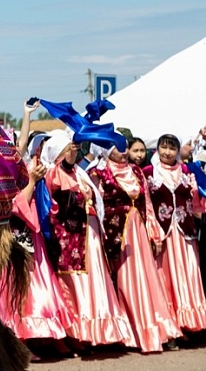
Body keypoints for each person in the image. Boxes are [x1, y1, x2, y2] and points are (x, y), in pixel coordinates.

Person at [41, 130, 135, 350]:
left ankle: (97, 334)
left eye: (74, 148)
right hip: (69, 238)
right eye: (68, 149)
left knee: (94, 283)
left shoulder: (80, 173)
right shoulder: (55, 172)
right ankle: (76, 334)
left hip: (88, 235)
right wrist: (71, 150)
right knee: (75, 286)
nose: (73, 151)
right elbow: (61, 182)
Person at [91, 146, 180, 352]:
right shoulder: (100, 172)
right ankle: (130, 332)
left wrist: (154, 232)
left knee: (147, 279)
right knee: (124, 281)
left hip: (139, 232)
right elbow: (96, 204)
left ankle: (155, 329)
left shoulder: (137, 171)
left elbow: (147, 204)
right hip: (117, 236)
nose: (123, 152)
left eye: (125, 148)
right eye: (117, 148)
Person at [0, 152, 75, 357]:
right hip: (15, 241)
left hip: (33, 241)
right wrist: (31, 181)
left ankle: (40, 339)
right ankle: (21, 343)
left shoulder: (26, 171)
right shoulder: (5, 176)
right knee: (18, 292)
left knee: (38, 293)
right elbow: (17, 206)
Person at [144, 133, 206, 333]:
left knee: (188, 273)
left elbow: (198, 200)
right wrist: (152, 232)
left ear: (178, 151)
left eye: (172, 148)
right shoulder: (148, 172)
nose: (167, 152)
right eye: (164, 147)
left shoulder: (188, 171)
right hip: (163, 233)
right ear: (157, 148)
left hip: (185, 231)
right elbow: (146, 205)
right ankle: (170, 325)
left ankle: (192, 323)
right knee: (166, 277)